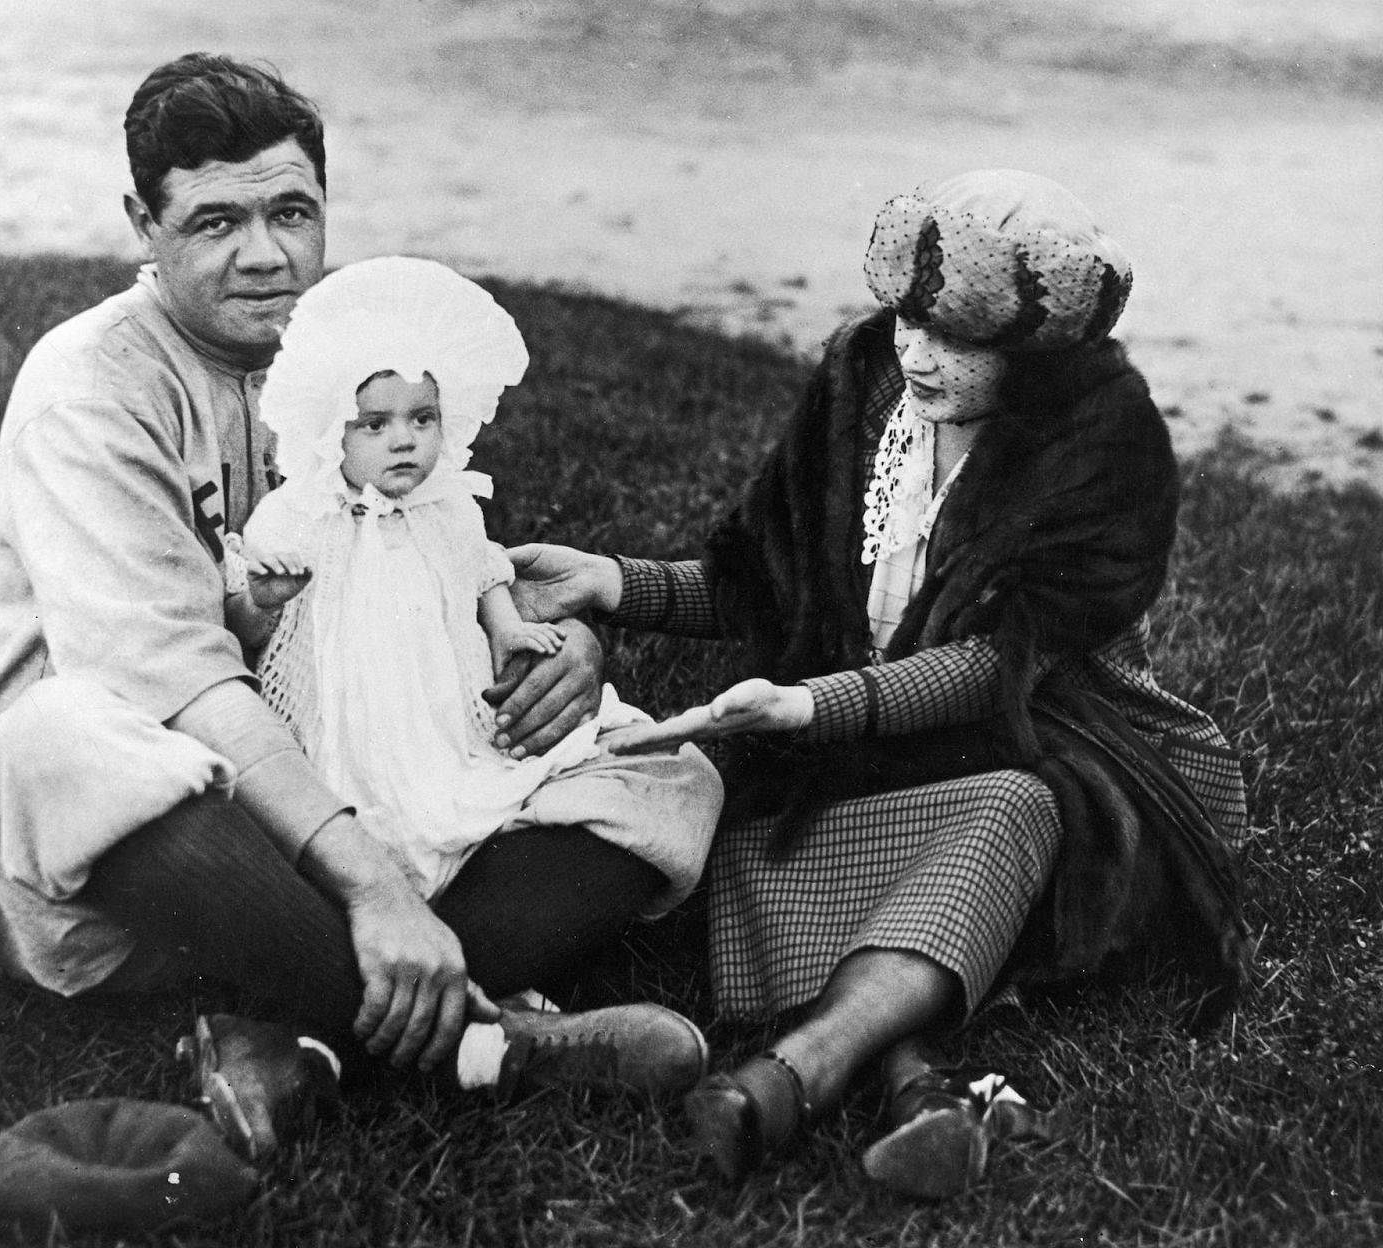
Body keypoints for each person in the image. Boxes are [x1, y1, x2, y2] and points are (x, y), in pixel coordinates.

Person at [0, 52, 723, 1162]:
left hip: (344, 763)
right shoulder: (91, 387)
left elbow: (428, 560)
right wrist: (370, 889)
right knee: (58, 745)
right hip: (161, 842)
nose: (265, 254)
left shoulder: (339, 361)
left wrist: (560, 649)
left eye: (292, 212)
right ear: (141, 221)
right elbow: (180, 685)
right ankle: (489, 1037)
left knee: (669, 774)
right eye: (216, 220)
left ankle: (299, 1044)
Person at [508, 170, 1251, 1195]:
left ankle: (785, 1077)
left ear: (1036, 361)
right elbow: (771, 585)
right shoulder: (867, 387)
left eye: (958, 338)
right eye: (906, 318)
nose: (915, 352)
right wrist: (616, 582)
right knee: (894, 823)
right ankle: (911, 1082)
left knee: (1014, 807)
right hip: (853, 750)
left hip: (1040, 736)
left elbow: (998, 668)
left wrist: (815, 704)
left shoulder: (1099, 446)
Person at [231, 254, 695, 904]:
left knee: (508, 776)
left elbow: (481, 574)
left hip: (444, 704)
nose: (405, 441)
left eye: (423, 419)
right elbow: (248, 630)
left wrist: (508, 628)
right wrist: (265, 599)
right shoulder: (301, 514)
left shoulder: (447, 504)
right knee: (371, 809)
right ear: (329, 428)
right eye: (375, 424)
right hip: (351, 714)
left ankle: (478, 882)